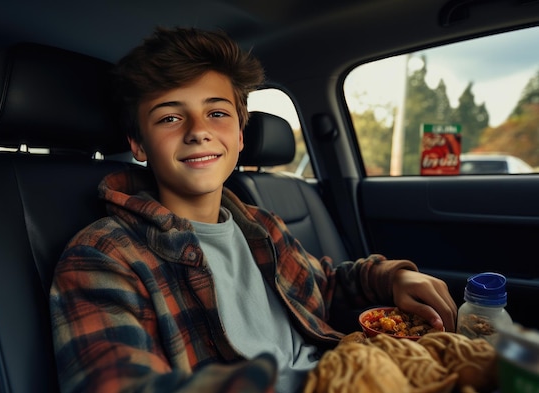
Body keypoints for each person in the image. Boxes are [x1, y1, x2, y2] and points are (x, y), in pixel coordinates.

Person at [49, 26, 457, 393]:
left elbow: (324, 285)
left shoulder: (260, 225)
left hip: (348, 373)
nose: (198, 131)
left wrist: (393, 277)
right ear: (138, 145)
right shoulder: (103, 255)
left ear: (241, 135)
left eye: (217, 113)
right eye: (170, 117)